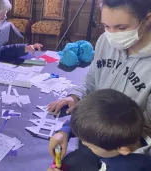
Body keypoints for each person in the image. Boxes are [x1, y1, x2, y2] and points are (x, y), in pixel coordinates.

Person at [48, 0, 151, 132]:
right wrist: (76, 96)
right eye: (106, 26)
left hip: (125, 142)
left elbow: (147, 124)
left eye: (122, 28)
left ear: (147, 19)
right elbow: (92, 77)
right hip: (94, 129)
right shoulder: (105, 40)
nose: (112, 34)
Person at [48, 89, 151, 171]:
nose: (83, 143)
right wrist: (65, 132)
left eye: (90, 146)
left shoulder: (127, 167)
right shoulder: (120, 137)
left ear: (123, 150)